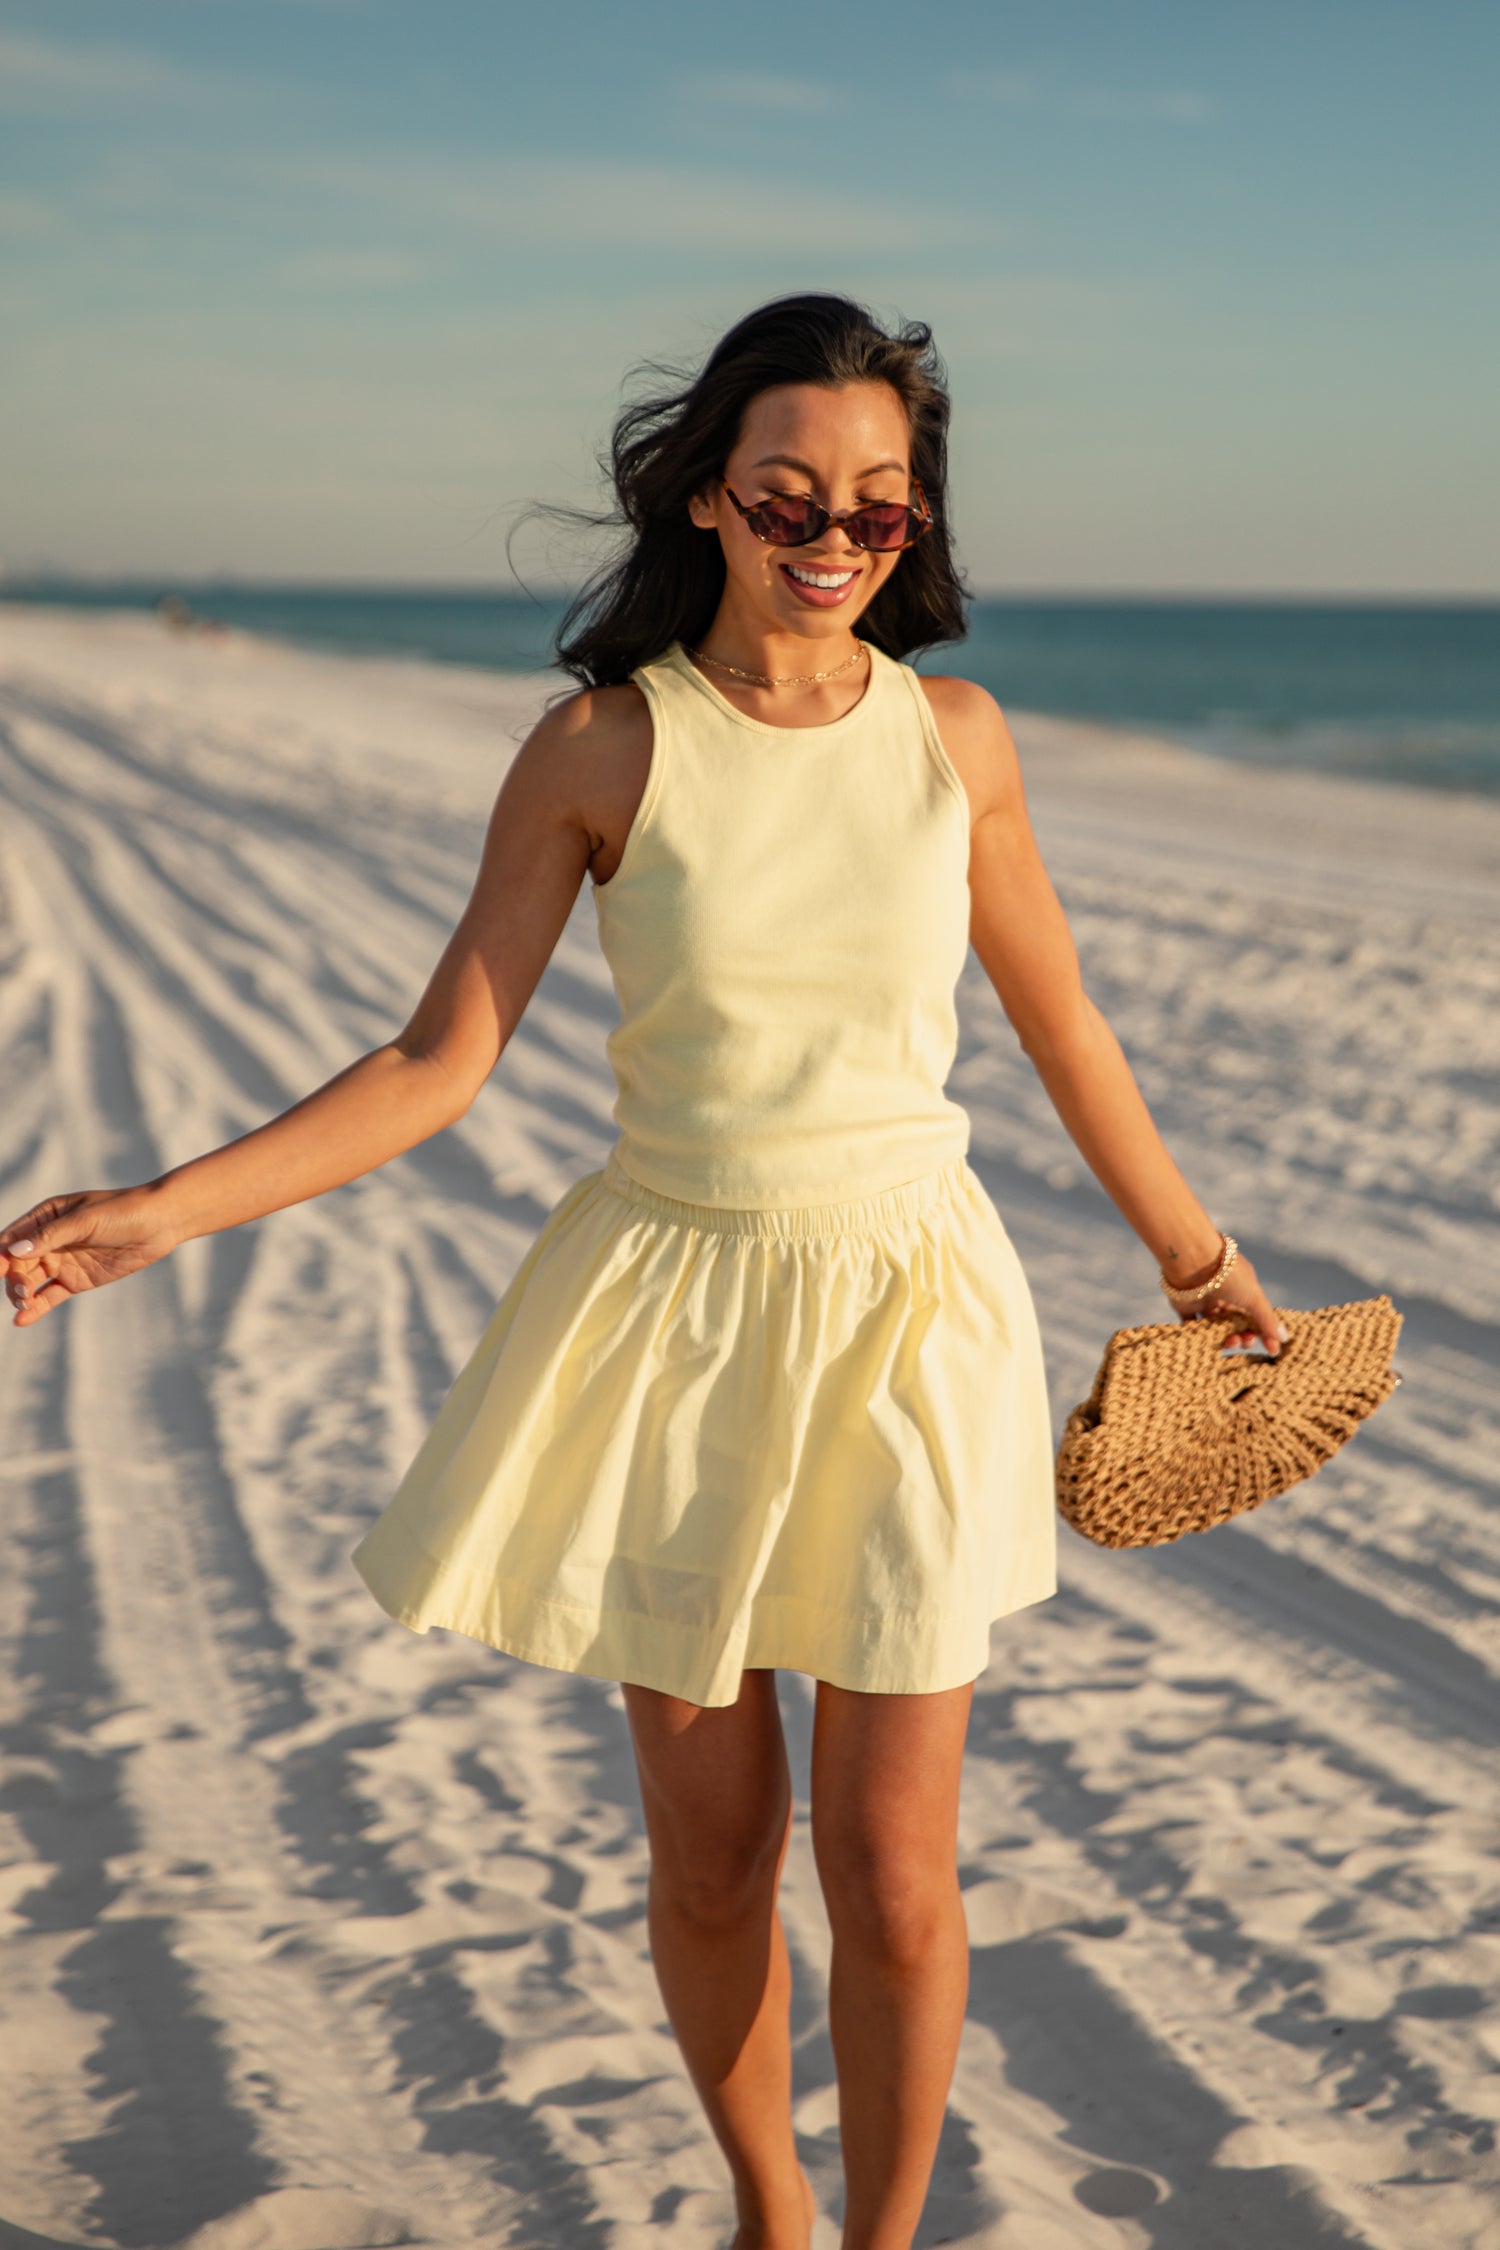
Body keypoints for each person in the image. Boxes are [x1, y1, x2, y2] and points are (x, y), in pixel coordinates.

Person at [0, 294, 1284, 2250]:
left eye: (879, 500)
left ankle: (880, 2241)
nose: (836, 532)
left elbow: (1065, 1027)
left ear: (914, 520)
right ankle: (773, 2205)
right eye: (791, 493)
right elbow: (441, 1060)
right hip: (676, 1326)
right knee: (712, 1858)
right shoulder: (606, 745)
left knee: (897, 1868)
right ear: (708, 498)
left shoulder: (959, 739)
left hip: (911, 1317)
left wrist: (1201, 1263)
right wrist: (162, 1209)